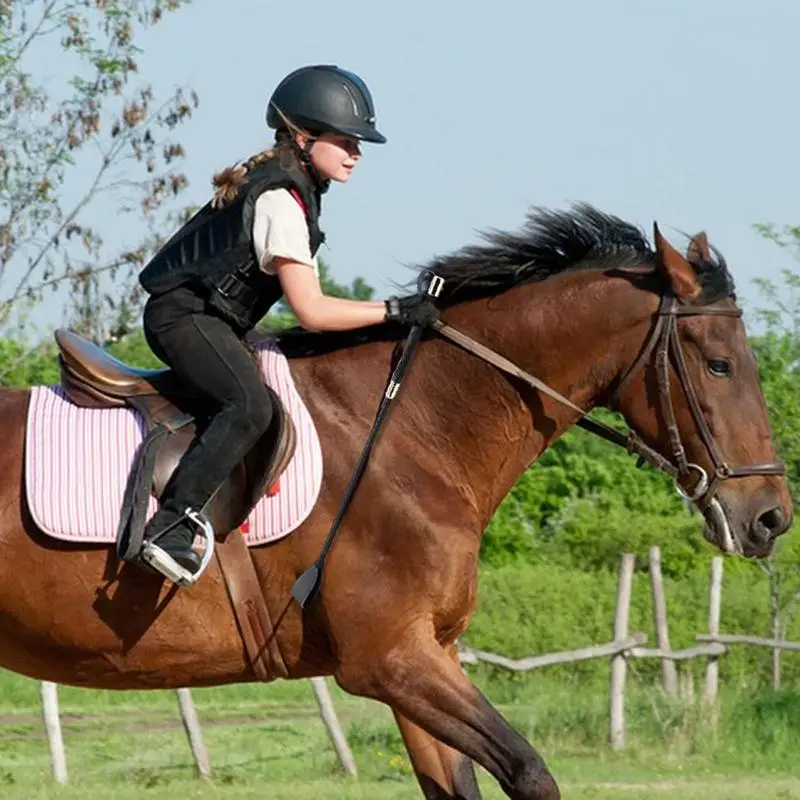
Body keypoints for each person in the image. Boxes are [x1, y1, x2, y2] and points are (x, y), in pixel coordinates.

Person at [136, 64, 436, 580]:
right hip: (181, 317)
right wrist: (393, 310)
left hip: (210, 317)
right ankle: (171, 525)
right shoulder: (280, 200)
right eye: (345, 141)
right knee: (247, 403)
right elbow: (313, 311)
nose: (356, 154)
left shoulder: (294, 189)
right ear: (303, 136)